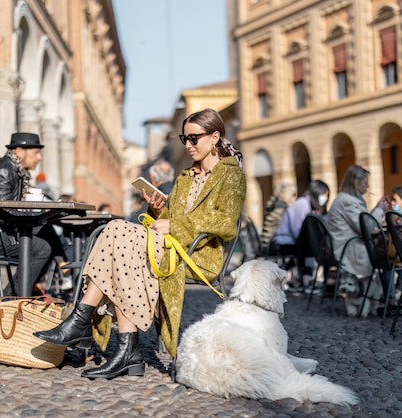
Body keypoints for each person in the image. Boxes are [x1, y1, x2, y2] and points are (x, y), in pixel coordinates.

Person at [34, 108, 245, 380]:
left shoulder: (231, 175)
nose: (188, 145)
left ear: (215, 137)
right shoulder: (184, 177)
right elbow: (166, 220)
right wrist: (157, 210)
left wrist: (176, 226)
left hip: (198, 255)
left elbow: (226, 223)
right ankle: (122, 348)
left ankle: (84, 321)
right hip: (167, 247)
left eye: (195, 138)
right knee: (117, 233)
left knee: (119, 233)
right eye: (184, 139)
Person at [0, 132, 65, 295]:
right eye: (36, 153)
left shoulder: (16, 171)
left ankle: (61, 269)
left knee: (46, 231)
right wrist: (39, 214)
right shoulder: (3, 169)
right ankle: (12, 298)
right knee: (41, 248)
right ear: (19, 151)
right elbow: (6, 209)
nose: (39, 158)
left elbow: (11, 209)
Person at [327, 165, 389, 286]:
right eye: (365, 182)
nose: (368, 186)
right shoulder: (347, 201)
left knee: (392, 254)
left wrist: (377, 208)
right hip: (350, 248)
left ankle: (386, 296)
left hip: (352, 244)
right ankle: (388, 297)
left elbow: (364, 222)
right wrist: (380, 210)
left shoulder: (348, 199)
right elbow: (366, 228)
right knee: (392, 256)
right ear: (356, 183)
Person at [275, 180, 330, 290]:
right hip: (286, 242)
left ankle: (310, 279)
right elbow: (298, 230)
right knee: (311, 248)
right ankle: (307, 280)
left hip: (294, 241)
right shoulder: (302, 204)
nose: (325, 197)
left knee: (313, 246)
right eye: (324, 194)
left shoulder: (308, 204)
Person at [128, 159, 175, 223]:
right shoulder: (178, 191)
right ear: (172, 177)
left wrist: (138, 208)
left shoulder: (155, 195)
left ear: (152, 177)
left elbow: (136, 221)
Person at [260, 183, 297, 254]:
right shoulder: (281, 209)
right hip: (275, 245)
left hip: (267, 244)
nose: (294, 198)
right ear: (287, 195)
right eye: (293, 195)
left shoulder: (273, 206)